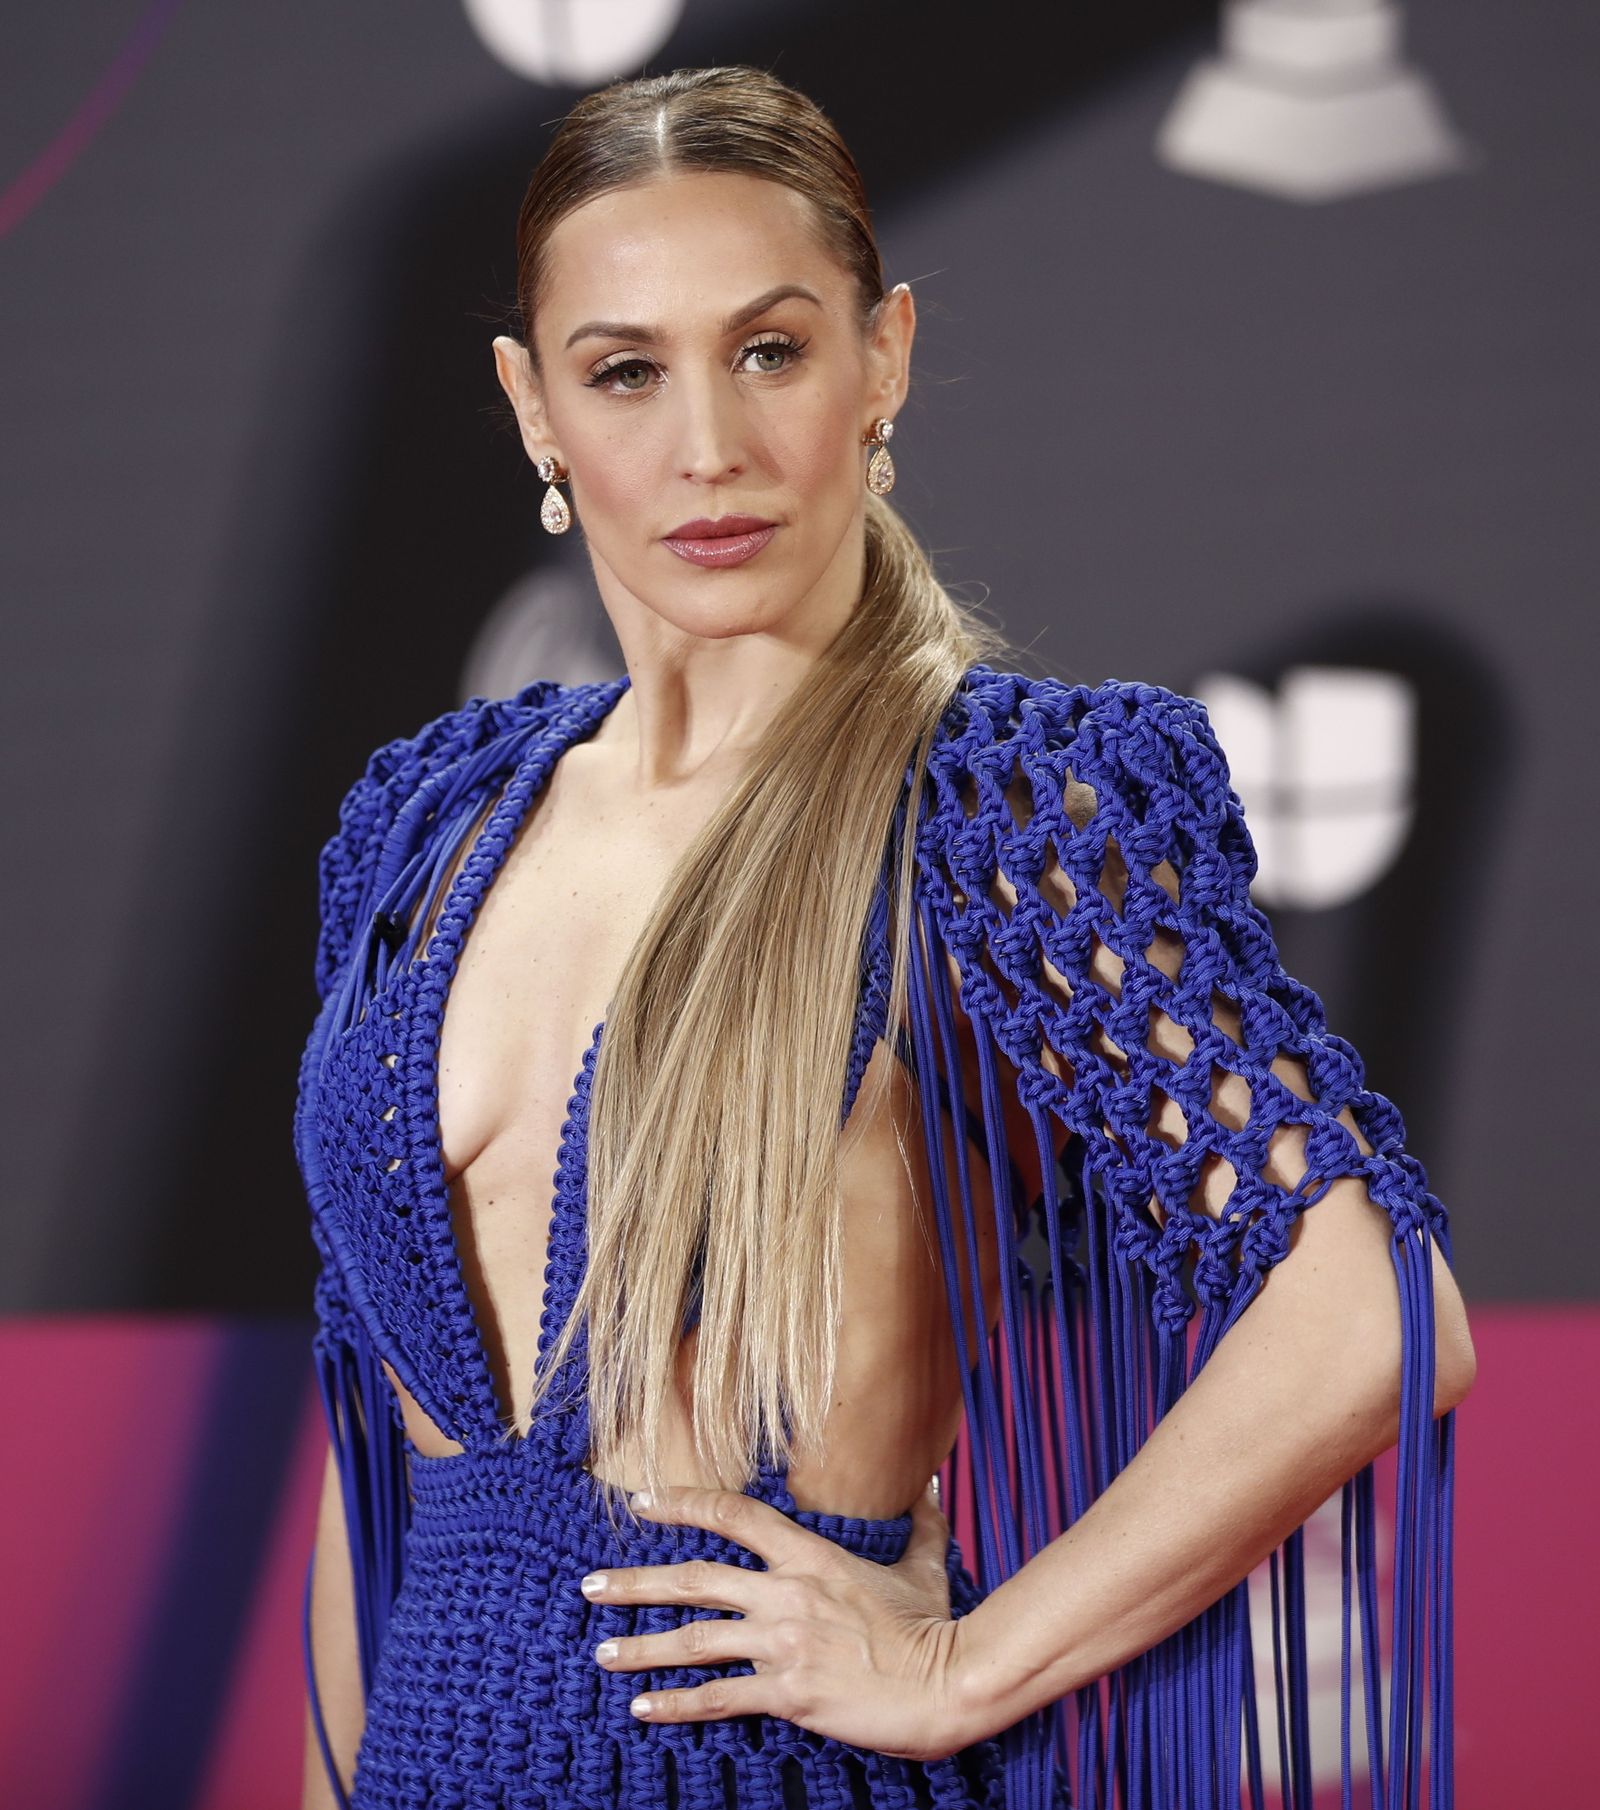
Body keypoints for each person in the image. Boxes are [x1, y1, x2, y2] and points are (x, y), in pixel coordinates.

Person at [296, 64, 1474, 1810]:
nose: (710, 445)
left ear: (885, 357)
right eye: (626, 371)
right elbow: (378, 1477)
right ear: (533, 406)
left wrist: (956, 1666)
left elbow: (1372, 1308)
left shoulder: (998, 808)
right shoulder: (431, 823)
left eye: (770, 350)